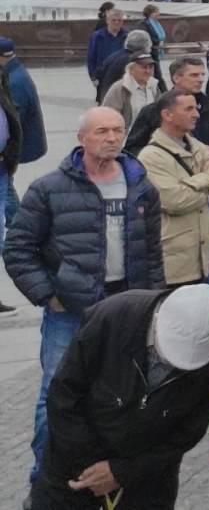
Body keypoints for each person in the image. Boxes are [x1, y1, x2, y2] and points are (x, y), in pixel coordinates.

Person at [6, 107, 165, 483]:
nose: (111, 138)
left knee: (122, 392)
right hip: (71, 311)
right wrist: (49, 295)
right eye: (101, 131)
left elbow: (153, 252)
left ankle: (105, 472)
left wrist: (153, 302)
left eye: (117, 130)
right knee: (55, 396)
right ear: (82, 139)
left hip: (126, 307)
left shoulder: (141, 185)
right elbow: (17, 248)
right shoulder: (49, 188)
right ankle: (44, 476)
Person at [29, 285, 209, 510]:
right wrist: (93, 467)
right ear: (158, 320)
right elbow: (64, 396)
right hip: (75, 461)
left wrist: (123, 472)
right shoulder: (111, 318)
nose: (169, 364)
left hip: (147, 475)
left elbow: (187, 432)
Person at [138, 90, 209, 287]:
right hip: (174, 266)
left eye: (195, 108)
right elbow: (174, 201)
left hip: (201, 260)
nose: (196, 114)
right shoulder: (151, 156)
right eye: (188, 109)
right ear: (167, 115)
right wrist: (208, 187)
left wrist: (192, 184)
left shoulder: (194, 144)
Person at [102, 52, 159, 126]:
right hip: (127, 135)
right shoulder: (120, 88)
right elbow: (109, 115)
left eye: (150, 67)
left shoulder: (153, 85)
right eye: (144, 67)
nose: (148, 71)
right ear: (131, 69)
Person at [86, 7, 128, 94]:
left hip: (123, 75)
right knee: (104, 102)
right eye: (114, 20)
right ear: (107, 21)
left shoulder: (127, 36)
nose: (116, 22)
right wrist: (93, 77)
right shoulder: (97, 36)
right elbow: (91, 57)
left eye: (119, 20)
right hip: (103, 75)